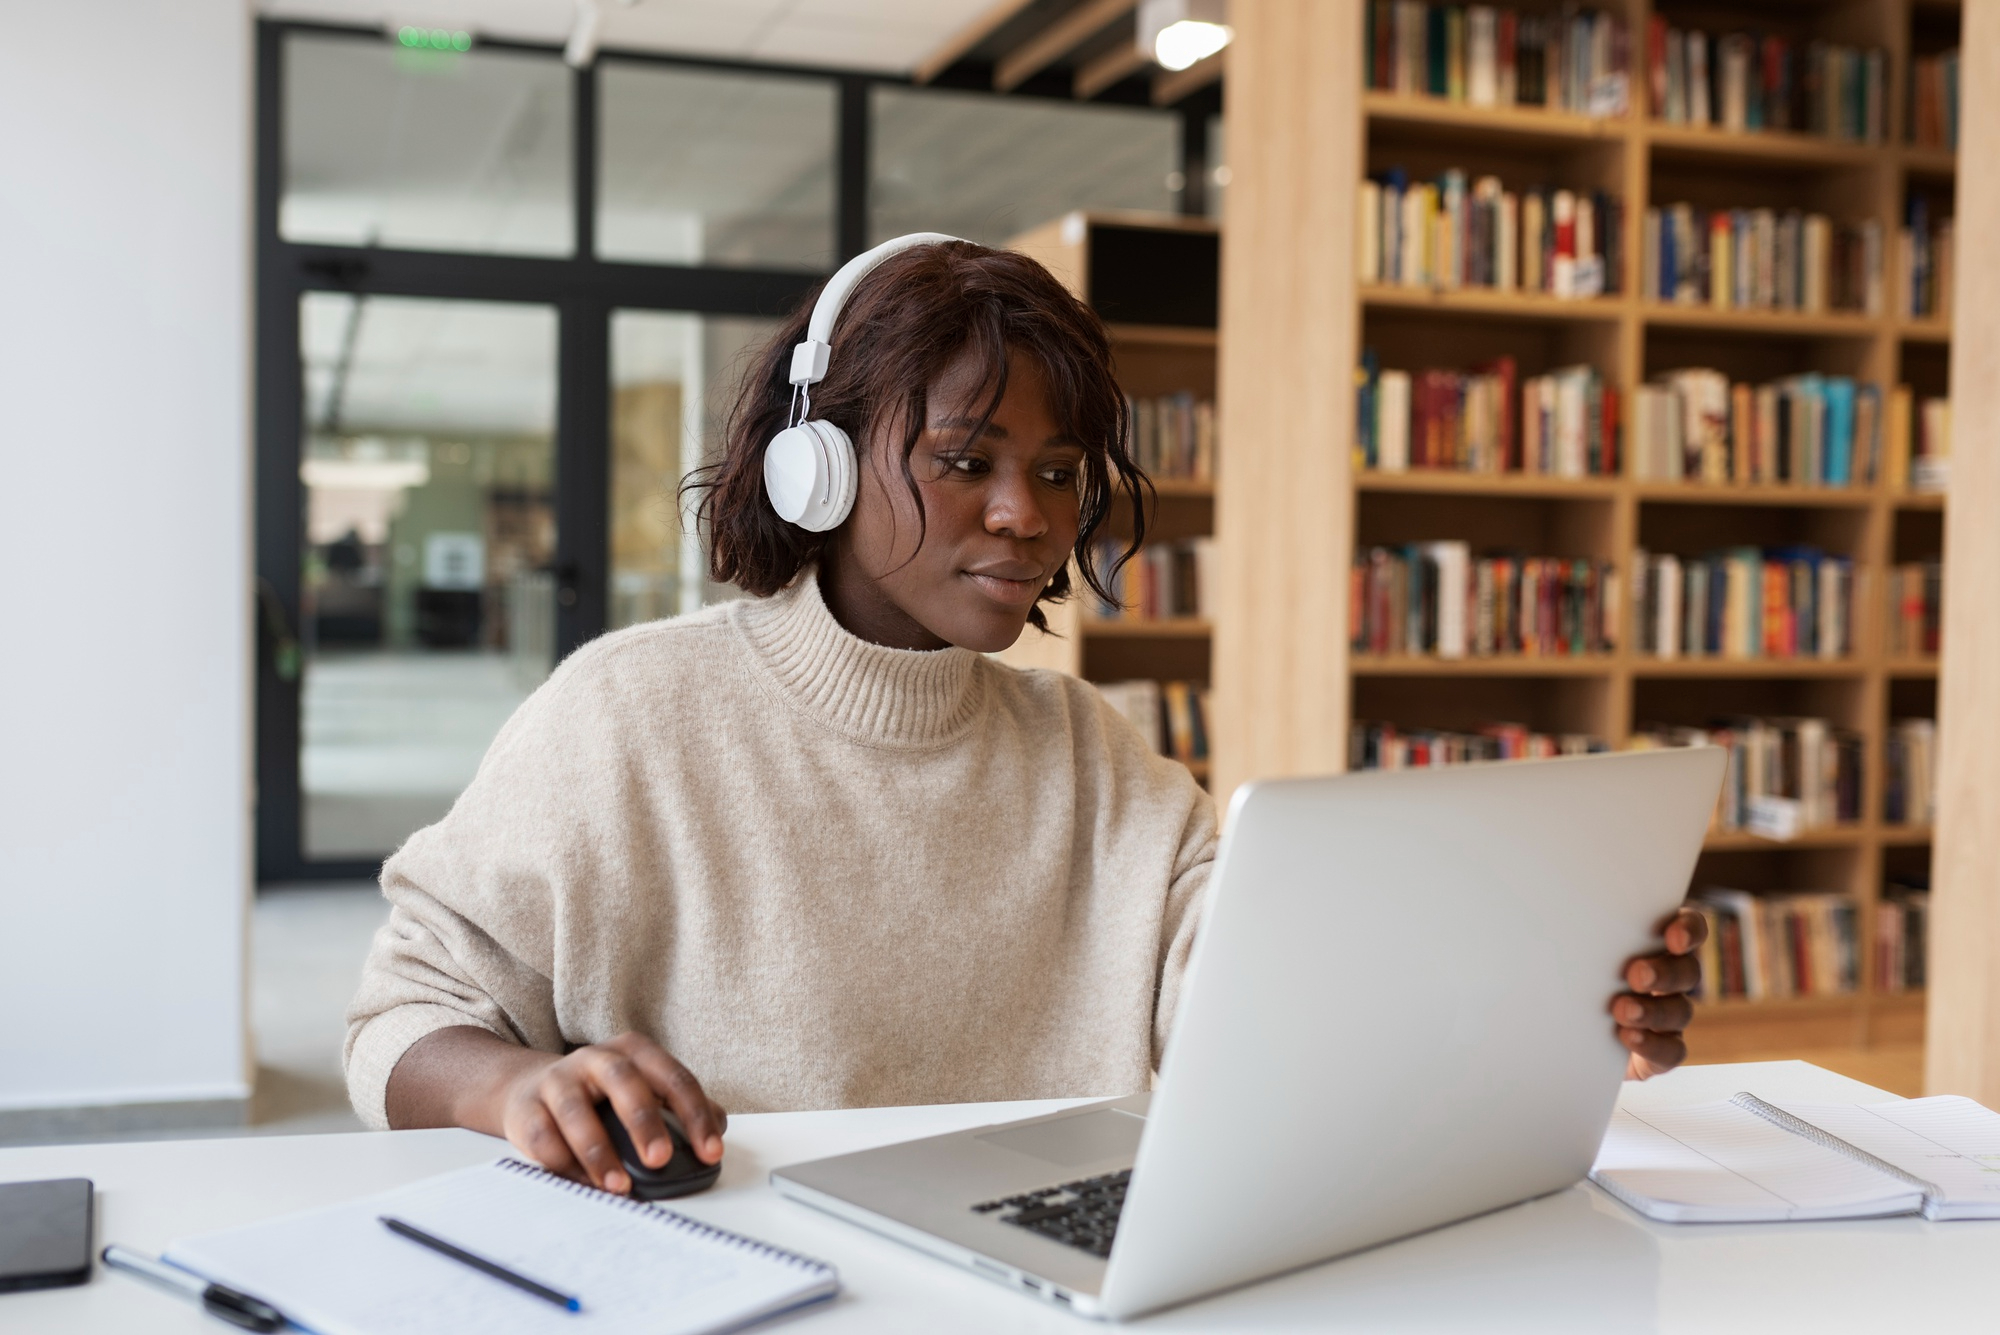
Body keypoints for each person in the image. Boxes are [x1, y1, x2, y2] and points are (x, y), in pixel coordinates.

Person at [345, 238, 1705, 1196]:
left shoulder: (1096, 752)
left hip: (1057, 1277)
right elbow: (405, 1015)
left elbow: (1259, 1003)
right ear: (814, 469)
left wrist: (1552, 1001)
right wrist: (507, 1090)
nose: (1031, 514)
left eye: (1058, 471)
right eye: (964, 461)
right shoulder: (629, 714)